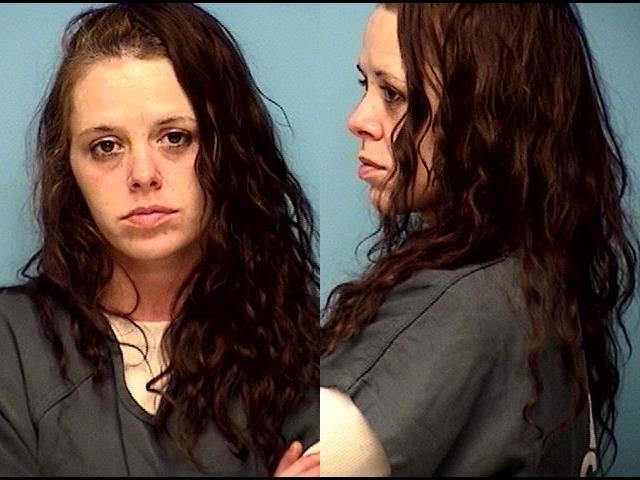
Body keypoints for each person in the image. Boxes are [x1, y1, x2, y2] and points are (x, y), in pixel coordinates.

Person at [0, 3, 319, 476]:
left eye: (174, 138)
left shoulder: (306, 343)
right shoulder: (12, 344)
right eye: (106, 146)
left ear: (228, 149)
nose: (143, 174)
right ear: (69, 168)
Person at [320, 3, 638, 476]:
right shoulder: (533, 280)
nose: (358, 119)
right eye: (365, 84)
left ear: (488, 111)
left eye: (394, 93)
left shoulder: (464, 307)